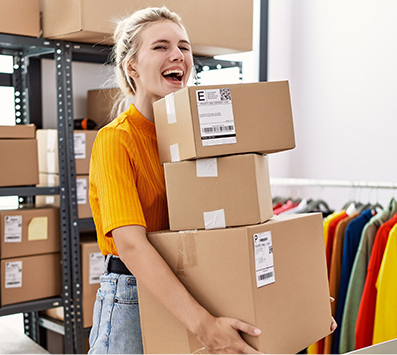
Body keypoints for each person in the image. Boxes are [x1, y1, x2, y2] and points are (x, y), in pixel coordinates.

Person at [88, 6, 336, 354]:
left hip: (198, 286)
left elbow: (243, 222)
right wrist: (204, 325)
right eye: (160, 46)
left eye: (184, 47)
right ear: (132, 67)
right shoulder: (117, 139)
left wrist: (294, 298)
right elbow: (131, 245)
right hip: (135, 297)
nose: (177, 55)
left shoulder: (200, 137)